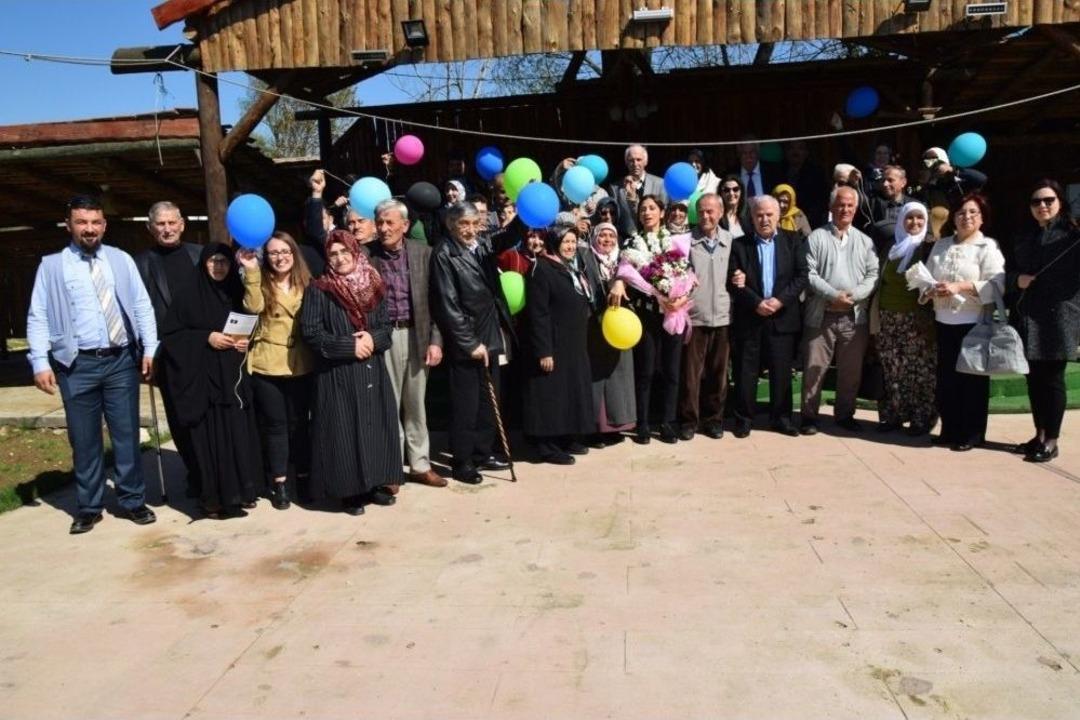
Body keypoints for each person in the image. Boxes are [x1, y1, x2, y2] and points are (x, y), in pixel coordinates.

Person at [27, 196, 158, 534]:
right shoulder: (52, 266)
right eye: (82, 222)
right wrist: (40, 360)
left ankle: (132, 500)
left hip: (120, 361)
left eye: (95, 222)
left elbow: (142, 305)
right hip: (76, 364)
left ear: (104, 225)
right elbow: (38, 315)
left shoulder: (120, 259)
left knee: (126, 434)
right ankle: (89, 506)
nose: (89, 228)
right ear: (68, 224)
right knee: (84, 439)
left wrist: (150, 348)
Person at [301, 229, 403, 513]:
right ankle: (350, 492)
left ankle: (375, 483)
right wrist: (347, 346)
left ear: (355, 252)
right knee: (344, 432)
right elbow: (311, 333)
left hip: (372, 369)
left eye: (344, 251)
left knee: (374, 427)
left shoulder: (374, 283)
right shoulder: (319, 289)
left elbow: (385, 325)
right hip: (338, 375)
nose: (340, 258)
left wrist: (373, 339)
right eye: (333, 254)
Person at [161, 244, 263, 519]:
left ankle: (240, 493)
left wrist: (245, 341)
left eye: (224, 262)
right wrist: (207, 337)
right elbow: (171, 336)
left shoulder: (235, 292)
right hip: (203, 383)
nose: (219, 267)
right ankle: (214, 500)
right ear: (203, 264)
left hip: (232, 379)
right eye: (213, 261)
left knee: (237, 437)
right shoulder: (187, 295)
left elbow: (253, 318)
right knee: (210, 443)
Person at [430, 202, 515, 484]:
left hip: (490, 331)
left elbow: (507, 237)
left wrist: (525, 214)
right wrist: (469, 343)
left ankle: (483, 451)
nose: (469, 230)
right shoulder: (445, 253)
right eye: (463, 224)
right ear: (452, 226)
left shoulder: (482, 245)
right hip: (467, 338)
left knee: (489, 399)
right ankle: (462, 460)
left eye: (473, 223)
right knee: (466, 403)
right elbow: (447, 304)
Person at [368, 199, 446, 488]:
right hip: (384, 337)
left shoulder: (423, 253)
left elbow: (438, 302)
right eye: (380, 223)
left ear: (405, 225)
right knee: (388, 403)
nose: (384, 228)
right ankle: (392, 467)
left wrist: (436, 341)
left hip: (417, 334)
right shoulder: (367, 256)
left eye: (390, 223)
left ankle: (420, 464)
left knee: (416, 404)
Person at [922, 193, 1005, 452]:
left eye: (972, 213)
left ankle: (972, 433)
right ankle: (949, 429)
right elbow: (926, 277)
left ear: (982, 219)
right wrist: (929, 289)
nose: (966, 217)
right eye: (961, 212)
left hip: (973, 322)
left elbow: (997, 284)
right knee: (947, 379)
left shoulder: (988, 247)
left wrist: (961, 286)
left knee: (972, 380)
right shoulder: (941, 245)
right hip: (943, 320)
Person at [237, 232, 314, 510]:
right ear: (265, 257)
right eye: (273, 253)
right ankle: (279, 482)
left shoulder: (307, 283)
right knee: (275, 426)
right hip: (268, 363)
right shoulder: (260, 281)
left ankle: (303, 478)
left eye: (285, 252)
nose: (280, 258)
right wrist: (252, 272)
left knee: (300, 424)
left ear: (294, 254)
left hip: (301, 362)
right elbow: (252, 307)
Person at [1008, 180, 1080, 463]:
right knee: (1033, 379)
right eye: (1036, 202)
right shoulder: (1024, 235)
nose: (1042, 206)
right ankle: (1038, 434)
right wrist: (1017, 280)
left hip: (1059, 316)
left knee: (1052, 379)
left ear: (1060, 202)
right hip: (1027, 314)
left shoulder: (1072, 235)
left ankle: (1052, 439)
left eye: (1048, 200)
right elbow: (1008, 270)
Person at [134, 201, 202, 497]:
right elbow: (137, 312)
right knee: (179, 417)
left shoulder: (200, 256)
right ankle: (195, 473)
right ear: (150, 229)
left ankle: (212, 470)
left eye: (172, 222)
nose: (167, 229)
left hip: (204, 349)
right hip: (168, 354)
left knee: (208, 415)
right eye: (160, 224)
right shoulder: (141, 263)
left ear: (182, 224)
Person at [800, 186, 880, 435]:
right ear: (831, 207)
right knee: (814, 367)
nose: (844, 209)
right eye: (840, 204)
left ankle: (845, 414)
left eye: (849, 206)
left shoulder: (865, 242)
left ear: (855, 209)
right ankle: (809, 416)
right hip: (821, 313)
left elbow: (873, 275)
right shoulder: (816, 237)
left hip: (854, 316)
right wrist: (833, 295)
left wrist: (853, 297)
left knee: (851, 370)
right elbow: (809, 273)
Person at [728, 196, 808, 437]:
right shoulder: (740, 245)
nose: (764, 219)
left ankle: (781, 418)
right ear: (751, 218)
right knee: (745, 371)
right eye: (759, 215)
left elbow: (802, 276)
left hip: (782, 317)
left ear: (778, 216)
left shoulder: (793, 240)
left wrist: (780, 300)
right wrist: (756, 303)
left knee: (781, 371)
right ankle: (743, 419)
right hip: (751, 317)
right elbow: (733, 280)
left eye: (768, 215)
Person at [608, 195, 686, 444]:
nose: (647, 213)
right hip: (647, 313)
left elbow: (688, 273)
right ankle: (643, 422)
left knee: (672, 370)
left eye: (652, 208)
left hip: (673, 312)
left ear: (662, 213)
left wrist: (679, 299)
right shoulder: (632, 241)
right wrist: (620, 281)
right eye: (643, 209)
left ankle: (667, 422)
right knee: (646, 370)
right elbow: (622, 268)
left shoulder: (676, 241)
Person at [522, 224, 596, 463]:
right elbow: (538, 314)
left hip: (573, 343)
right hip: (552, 343)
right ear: (554, 242)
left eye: (574, 242)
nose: (570, 246)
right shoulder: (541, 268)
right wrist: (544, 351)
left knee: (569, 391)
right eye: (566, 241)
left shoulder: (570, 268)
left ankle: (566, 436)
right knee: (550, 393)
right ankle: (546, 444)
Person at [869, 202, 937, 436]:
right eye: (909, 218)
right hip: (887, 317)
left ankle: (921, 419)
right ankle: (893, 416)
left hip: (917, 320)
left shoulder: (929, 248)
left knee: (919, 371)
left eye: (920, 218)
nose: (914, 223)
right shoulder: (891, 246)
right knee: (892, 369)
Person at [678, 193, 733, 440]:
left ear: (721, 212)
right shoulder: (686, 242)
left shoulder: (733, 242)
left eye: (711, 211)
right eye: (701, 212)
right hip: (694, 318)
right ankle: (689, 421)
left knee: (718, 374)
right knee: (691, 375)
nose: (706, 216)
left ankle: (714, 420)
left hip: (723, 317)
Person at [581, 221, 635, 443]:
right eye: (602, 235)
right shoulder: (586, 258)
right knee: (596, 376)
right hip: (594, 326)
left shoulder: (625, 261)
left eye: (611, 236)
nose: (607, 240)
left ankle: (617, 425)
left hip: (621, 328)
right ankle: (595, 427)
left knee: (619, 376)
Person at [609, 144, 667, 239]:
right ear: (626, 162)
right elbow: (614, 218)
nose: (635, 164)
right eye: (631, 160)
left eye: (639, 160)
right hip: (626, 240)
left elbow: (665, 212)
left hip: (655, 239)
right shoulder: (616, 188)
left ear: (646, 161)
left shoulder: (660, 184)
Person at [862, 165, 914, 254]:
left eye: (890, 180)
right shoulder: (872, 202)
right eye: (883, 180)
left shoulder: (915, 206)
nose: (885, 184)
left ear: (903, 182)